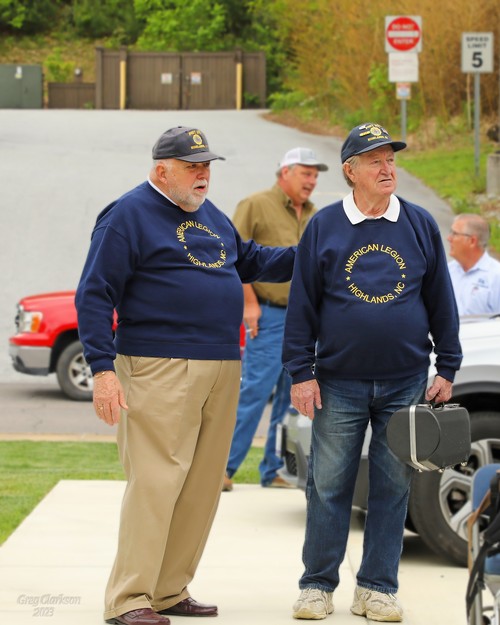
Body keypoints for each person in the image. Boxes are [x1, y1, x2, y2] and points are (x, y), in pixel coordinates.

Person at [75, 126, 296, 625]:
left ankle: (170, 589)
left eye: (207, 165)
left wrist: (316, 254)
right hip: (158, 365)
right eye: (192, 166)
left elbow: (252, 261)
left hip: (222, 362)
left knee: (200, 485)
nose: (203, 175)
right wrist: (103, 371)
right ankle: (130, 598)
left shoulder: (210, 215)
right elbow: (93, 294)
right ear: (161, 170)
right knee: (155, 481)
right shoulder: (127, 215)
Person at [282, 122, 462, 622]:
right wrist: (300, 371)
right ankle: (317, 585)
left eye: (391, 160)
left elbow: (440, 299)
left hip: (405, 379)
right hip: (338, 380)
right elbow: (303, 305)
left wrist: (447, 363)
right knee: (328, 484)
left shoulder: (419, 223)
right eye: (375, 161)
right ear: (350, 171)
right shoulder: (324, 226)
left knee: (393, 487)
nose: (387, 169)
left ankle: (377, 588)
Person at [223, 147, 328, 492]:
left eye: (315, 175)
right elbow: (231, 257)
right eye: (306, 173)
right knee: (254, 392)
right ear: (285, 172)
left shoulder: (316, 215)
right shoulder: (255, 204)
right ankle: (222, 469)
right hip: (267, 315)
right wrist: (249, 303)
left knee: (292, 397)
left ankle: (274, 469)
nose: (312, 181)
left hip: (305, 320)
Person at [447, 213, 500, 315]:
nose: (449, 238)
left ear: (472, 241)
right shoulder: (448, 270)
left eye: (454, 234)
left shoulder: (496, 277)